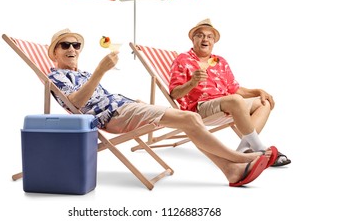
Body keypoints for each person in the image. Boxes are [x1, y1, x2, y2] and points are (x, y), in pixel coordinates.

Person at [46, 28, 278, 187]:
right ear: (54, 52)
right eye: (65, 45)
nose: (72, 49)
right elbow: (74, 103)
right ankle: (239, 158)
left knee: (189, 121)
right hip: (115, 116)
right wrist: (100, 71)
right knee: (191, 119)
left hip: (125, 107)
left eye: (76, 44)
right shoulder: (55, 76)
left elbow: (234, 87)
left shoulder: (82, 74)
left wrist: (134, 102)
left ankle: (232, 171)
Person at [169, 18, 291, 167]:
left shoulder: (220, 61)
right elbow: (175, 94)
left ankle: (242, 151)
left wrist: (258, 91)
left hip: (228, 103)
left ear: (214, 41)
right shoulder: (182, 60)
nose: (205, 39)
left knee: (263, 102)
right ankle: (260, 149)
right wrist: (192, 83)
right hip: (199, 107)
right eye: (200, 35)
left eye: (209, 36)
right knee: (235, 100)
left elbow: (235, 89)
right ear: (192, 39)